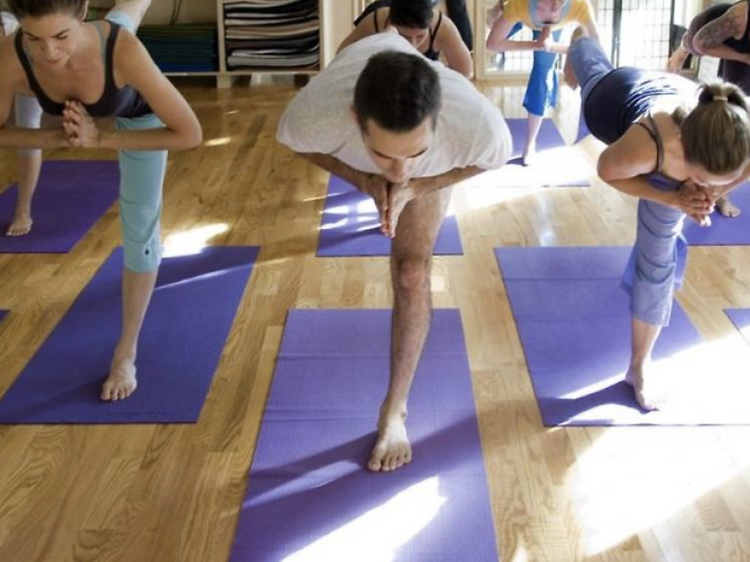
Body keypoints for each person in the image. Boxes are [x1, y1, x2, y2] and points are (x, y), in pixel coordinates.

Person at [278, 31, 511, 472]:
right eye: (385, 156)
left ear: (438, 122)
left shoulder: (476, 125)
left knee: (411, 272)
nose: (399, 171)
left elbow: (490, 160)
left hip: (432, 164)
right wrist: (363, 178)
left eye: (415, 153)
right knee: (388, 175)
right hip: (356, 79)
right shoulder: (316, 114)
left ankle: (394, 409)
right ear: (354, 120)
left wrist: (419, 185)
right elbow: (294, 142)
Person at [0, 0, 202, 400]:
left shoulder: (124, 51)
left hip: (137, 114)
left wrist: (99, 138)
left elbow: (190, 133)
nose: (49, 53)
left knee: (140, 225)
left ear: (82, 13)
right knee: (117, 22)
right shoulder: (12, 50)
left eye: (60, 37)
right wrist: (53, 138)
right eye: (34, 38)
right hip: (99, 49)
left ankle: (125, 353)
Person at [565, 26, 750, 410]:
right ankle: (580, 39)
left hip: (676, 95)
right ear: (685, 157)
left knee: (657, 261)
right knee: (591, 65)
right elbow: (608, 170)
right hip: (612, 96)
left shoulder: (741, 134)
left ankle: (638, 366)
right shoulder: (652, 145)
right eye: (700, 178)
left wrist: (713, 193)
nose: (705, 188)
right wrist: (672, 195)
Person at [486, 0, 600, 164]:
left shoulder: (578, 5)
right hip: (520, 12)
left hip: (552, 27)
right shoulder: (520, 5)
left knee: (542, 72)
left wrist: (550, 46)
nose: (555, 5)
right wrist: (534, 44)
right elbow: (493, 44)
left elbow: (596, 48)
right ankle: (499, 7)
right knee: (493, 22)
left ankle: (530, 143)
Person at [666, 1, 750, 218]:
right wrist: (744, 58)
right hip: (706, 35)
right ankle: (680, 52)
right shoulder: (740, 17)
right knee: (727, 129)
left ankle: (717, 192)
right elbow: (700, 42)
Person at [339, 0, 473, 78]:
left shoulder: (442, 27)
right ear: (391, 24)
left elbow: (464, 73)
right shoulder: (375, 22)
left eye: (420, 36)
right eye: (404, 37)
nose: (413, 45)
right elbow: (340, 59)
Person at [0, 9, 43, 236]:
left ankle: (23, 209)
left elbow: (38, 89)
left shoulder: (20, 38)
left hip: (28, 76)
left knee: (28, 125)